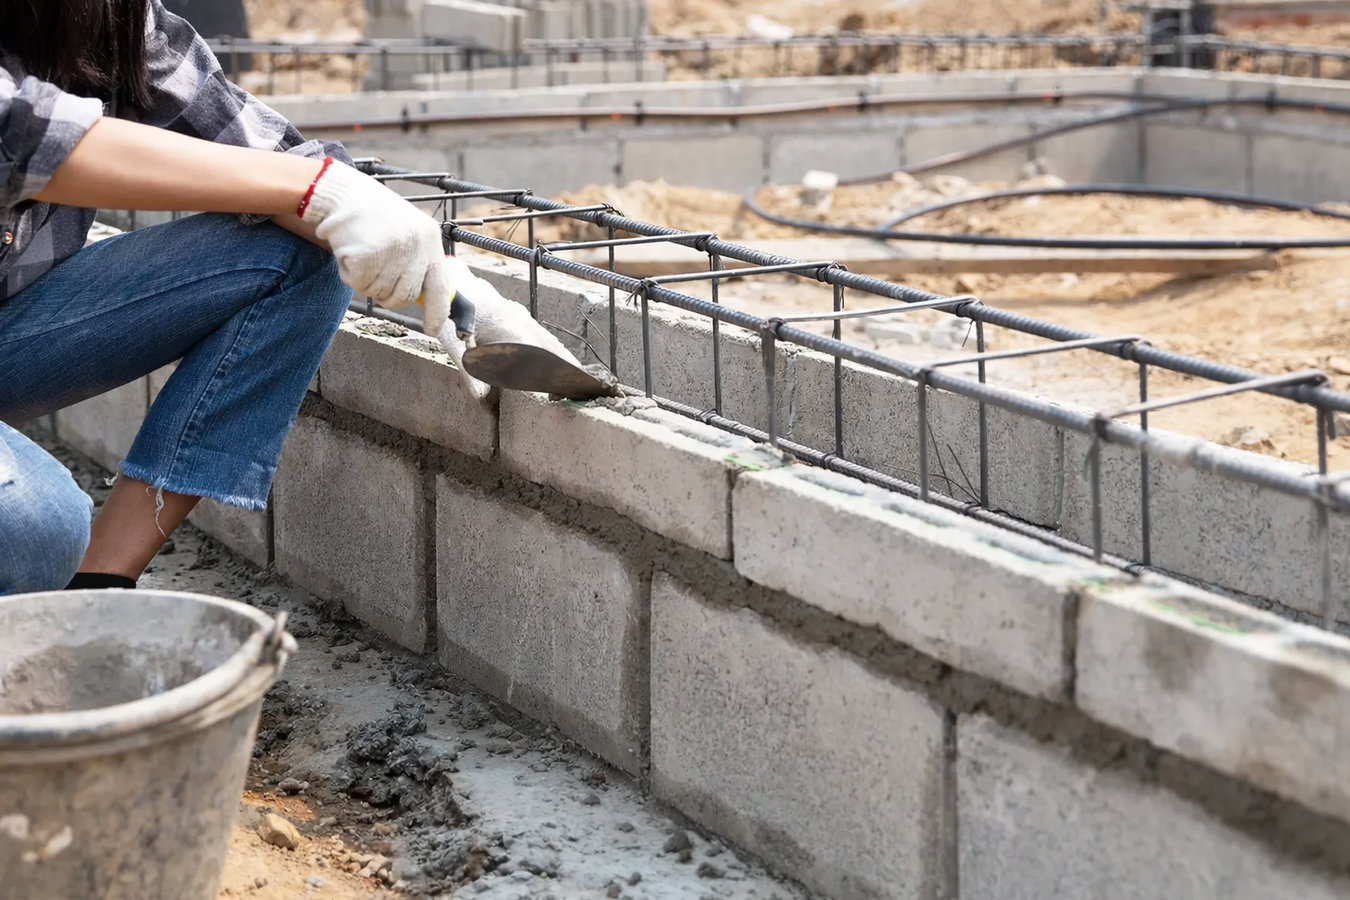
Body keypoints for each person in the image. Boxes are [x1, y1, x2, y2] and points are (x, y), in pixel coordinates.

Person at [0, 0, 464, 594]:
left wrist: (448, 282)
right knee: (36, 529)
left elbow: (254, 146)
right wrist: (313, 190)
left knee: (300, 255)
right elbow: (22, 134)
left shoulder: (111, 17)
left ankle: (98, 590)